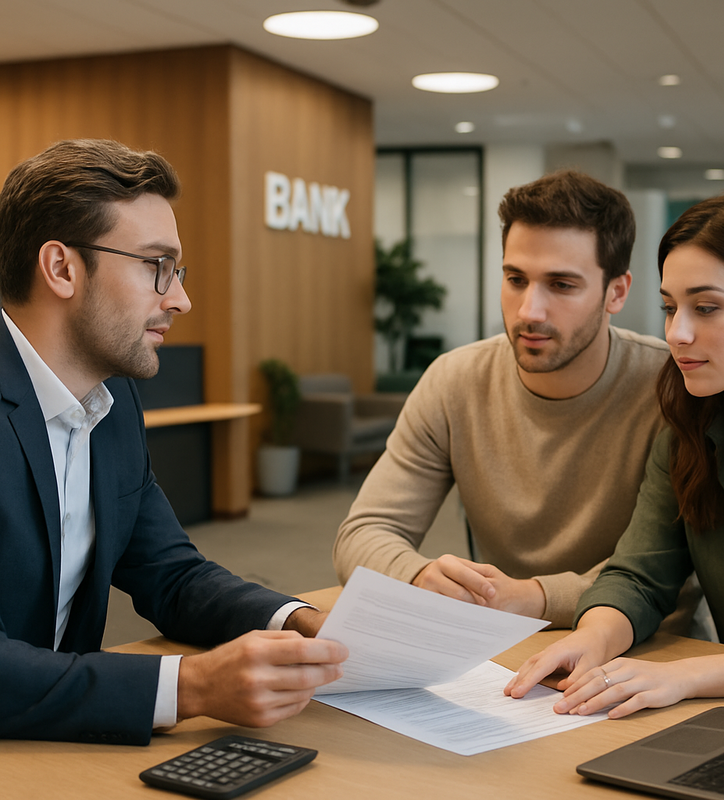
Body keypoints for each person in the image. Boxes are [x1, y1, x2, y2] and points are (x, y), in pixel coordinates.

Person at [0, 139, 347, 745]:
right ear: (61, 268)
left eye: (176, 271)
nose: (180, 299)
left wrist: (301, 623)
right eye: (155, 266)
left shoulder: (110, 399)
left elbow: (171, 573)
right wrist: (189, 687)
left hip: (51, 742)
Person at [333, 170, 686, 630]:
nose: (529, 311)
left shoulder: (674, 387)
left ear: (616, 292)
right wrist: (416, 576)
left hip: (650, 648)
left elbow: (672, 568)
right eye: (516, 279)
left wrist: (535, 598)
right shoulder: (454, 380)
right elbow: (363, 533)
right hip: (501, 639)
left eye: (561, 285)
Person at [505, 189, 724, 718]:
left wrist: (687, 675)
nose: (677, 333)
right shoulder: (689, 433)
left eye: (706, 308)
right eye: (670, 308)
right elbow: (640, 575)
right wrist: (592, 639)